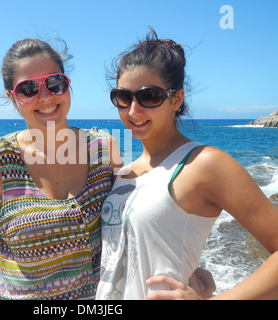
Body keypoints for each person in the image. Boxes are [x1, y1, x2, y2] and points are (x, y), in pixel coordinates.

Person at [0, 37, 213, 300]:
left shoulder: (103, 148)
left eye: (54, 83)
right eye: (28, 89)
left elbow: (133, 216)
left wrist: (182, 264)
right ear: (13, 98)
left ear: (67, 85)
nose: (46, 97)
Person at [96, 29, 278, 300]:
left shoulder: (204, 164)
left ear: (176, 99)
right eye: (124, 97)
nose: (134, 111)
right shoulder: (125, 173)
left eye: (149, 96)